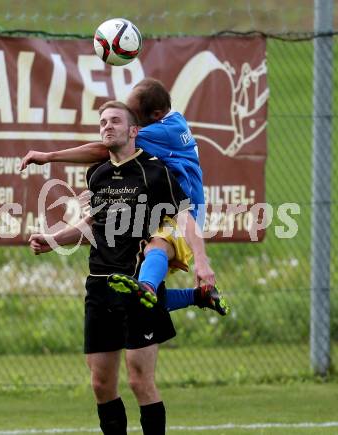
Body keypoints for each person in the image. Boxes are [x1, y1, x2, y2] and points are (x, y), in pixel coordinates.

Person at [31, 101, 212, 434]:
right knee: (101, 384)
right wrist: (55, 238)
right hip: (99, 286)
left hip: (136, 287)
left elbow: (184, 218)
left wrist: (201, 260)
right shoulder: (97, 175)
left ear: (134, 131)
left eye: (115, 120)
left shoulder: (155, 171)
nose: (107, 126)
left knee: (139, 380)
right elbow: (95, 228)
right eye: (102, 122)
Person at [21, 78, 229, 316]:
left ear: (155, 114)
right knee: (133, 291)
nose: (127, 118)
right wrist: (55, 238)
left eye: (133, 114)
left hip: (184, 211)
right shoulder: (171, 123)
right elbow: (97, 227)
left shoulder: (163, 132)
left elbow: (105, 148)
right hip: (157, 208)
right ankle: (193, 296)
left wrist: (49, 156)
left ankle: (149, 287)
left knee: (155, 250)